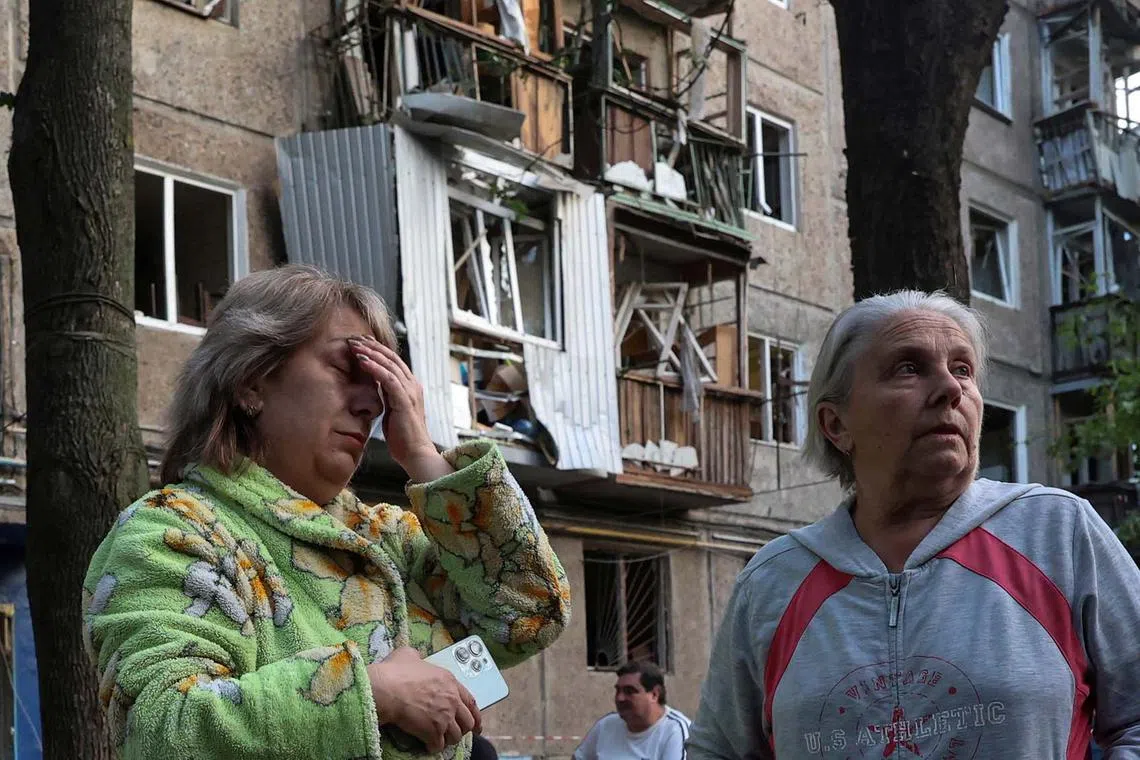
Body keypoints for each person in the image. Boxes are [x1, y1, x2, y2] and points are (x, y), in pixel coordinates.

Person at [82, 265, 572, 759]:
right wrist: (374, 693)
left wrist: (425, 457)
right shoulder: (173, 531)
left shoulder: (389, 537)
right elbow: (162, 730)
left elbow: (530, 615)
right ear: (251, 381)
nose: (372, 404)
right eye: (348, 369)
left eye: (381, 382)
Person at [687, 291, 1140, 758]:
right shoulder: (773, 581)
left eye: (963, 369)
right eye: (908, 367)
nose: (951, 388)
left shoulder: (1055, 532)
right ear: (836, 424)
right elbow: (718, 751)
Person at [574, 661, 691, 760]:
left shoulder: (676, 731)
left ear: (654, 694)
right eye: (618, 691)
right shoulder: (606, 725)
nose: (620, 698)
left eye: (629, 691)